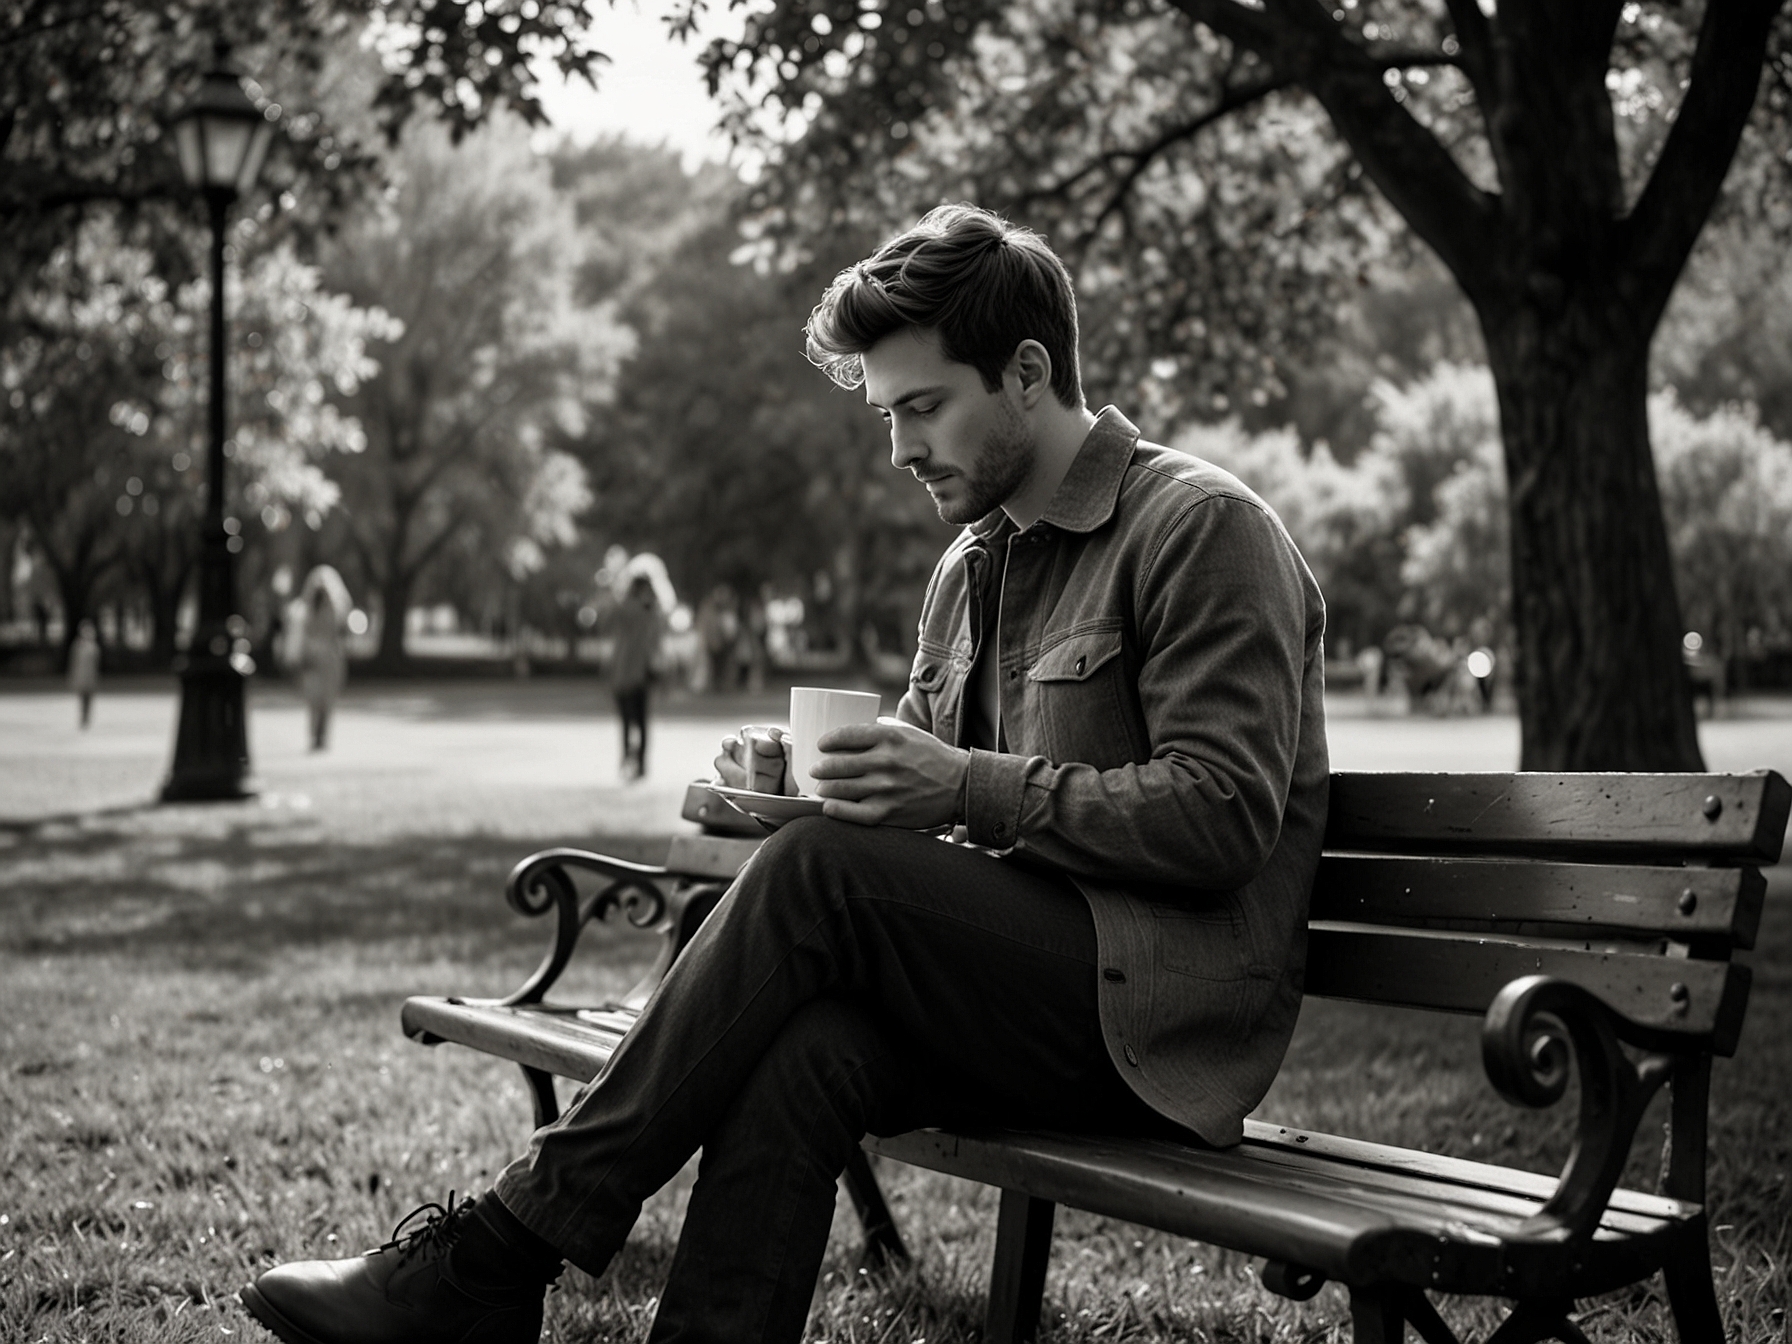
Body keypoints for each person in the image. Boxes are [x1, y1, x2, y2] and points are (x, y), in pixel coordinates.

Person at [242, 204, 1329, 1344]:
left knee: (821, 877)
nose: (901, 449)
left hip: (1159, 1025)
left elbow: (1222, 818)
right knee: (805, 1053)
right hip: (1020, 996)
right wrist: (808, 788)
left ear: (1025, 373)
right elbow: (914, 795)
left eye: (922, 408)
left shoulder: (1199, 527)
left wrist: (957, 788)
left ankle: (501, 1252)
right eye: (886, 414)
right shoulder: (969, 564)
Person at [609, 572, 664, 779]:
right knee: (638, 723)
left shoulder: (631, 608)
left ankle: (630, 760)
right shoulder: (646, 612)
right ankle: (637, 763)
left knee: (631, 722)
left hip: (629, 674)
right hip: (634, 674)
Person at [297, 575, 348, 751]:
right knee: (321, 701)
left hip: (319, 659)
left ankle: (318, 736)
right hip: (324, 659)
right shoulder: (325, 610)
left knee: (319, 701)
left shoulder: (310, 610)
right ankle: (318, 736)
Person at [68, 619, 100, 729]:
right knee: (82, 700)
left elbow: (95, 665)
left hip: (90, 678)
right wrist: (73, 677)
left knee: (89, 700)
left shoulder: (94, 647)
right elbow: (74, 663)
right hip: (81, 677)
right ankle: (83, 719)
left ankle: (86, 719)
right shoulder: (78, 646)